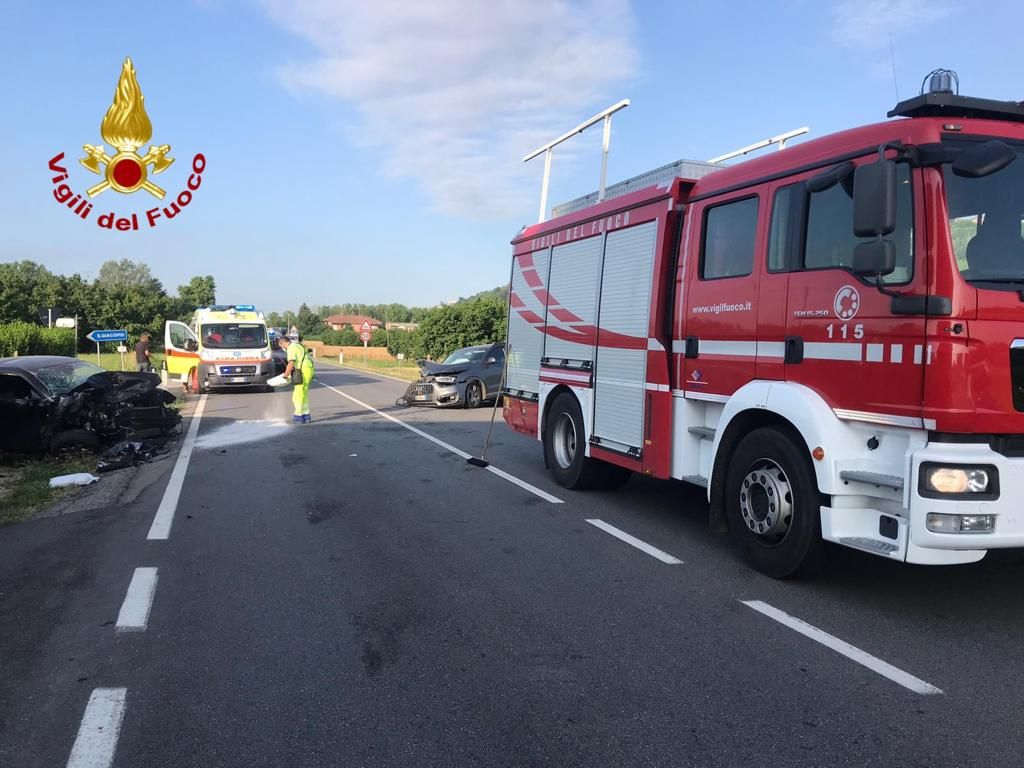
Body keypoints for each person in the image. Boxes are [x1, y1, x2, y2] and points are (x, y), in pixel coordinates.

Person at [279, 332, 314, 423]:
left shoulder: (291, 348)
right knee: (304, 393)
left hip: (303, 370)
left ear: (283, 343)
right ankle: (306, 415)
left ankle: (298, 416)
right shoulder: (298, 345)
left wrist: (285, 375)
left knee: (297, 395)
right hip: (308, 368)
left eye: (281, 346)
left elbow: (291, 362)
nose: (282, 348)